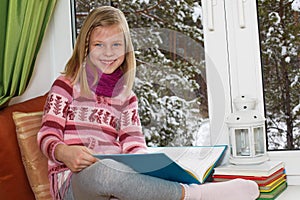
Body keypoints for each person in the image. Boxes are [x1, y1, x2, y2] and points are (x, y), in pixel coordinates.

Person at [37, 6, 259, 200]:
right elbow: (47, 135)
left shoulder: (126, 97)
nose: (108, 53)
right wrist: (65, 152)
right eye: (99, 45)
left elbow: (133, 143)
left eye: (116, 45)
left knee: (126, 175)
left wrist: (144, 163)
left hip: (119, 179)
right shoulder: (66, 85)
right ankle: (197, 194)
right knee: (106, 171)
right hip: (74, 182)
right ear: (86, 47)